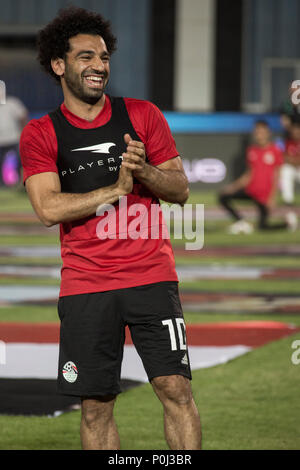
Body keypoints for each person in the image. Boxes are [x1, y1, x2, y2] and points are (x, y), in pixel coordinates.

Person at [19, 6, 201, 450]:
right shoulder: (42, 133)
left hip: (152, 277)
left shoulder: (142, 114)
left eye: (103, 57)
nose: (99, 66)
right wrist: (115, 188)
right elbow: (47, 208)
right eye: (85, 57)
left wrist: (147, 173)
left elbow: (179, 189)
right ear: (59, 66)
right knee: (96, 405)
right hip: (86, 285)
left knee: (176, 390)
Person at [218, 120, 297, 233]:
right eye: (257, 132)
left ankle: (287, 225)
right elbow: (249, 175)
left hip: (263, 197)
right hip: (251, 192)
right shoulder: (252, 150)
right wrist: (233, 187)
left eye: (262, 132)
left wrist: (272, 198)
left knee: (262, 227)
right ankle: (241, 223)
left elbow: (277, 175)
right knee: (223, 196)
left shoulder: (275, 150)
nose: (259, 135)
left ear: (268, 133)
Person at [0, 95, 28, 186]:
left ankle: (17, 183)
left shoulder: (12, 103)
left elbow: (23, 116)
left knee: (15, 163)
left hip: (13, 140)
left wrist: (24, 132)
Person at [280, 118, 300, 227]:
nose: (296, 133)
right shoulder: (288, 142)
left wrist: (294, 160)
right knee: (285, 170)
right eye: (294, 130)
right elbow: (284, 157)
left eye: (298, 130)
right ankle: (291, 220)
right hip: (293, 168)